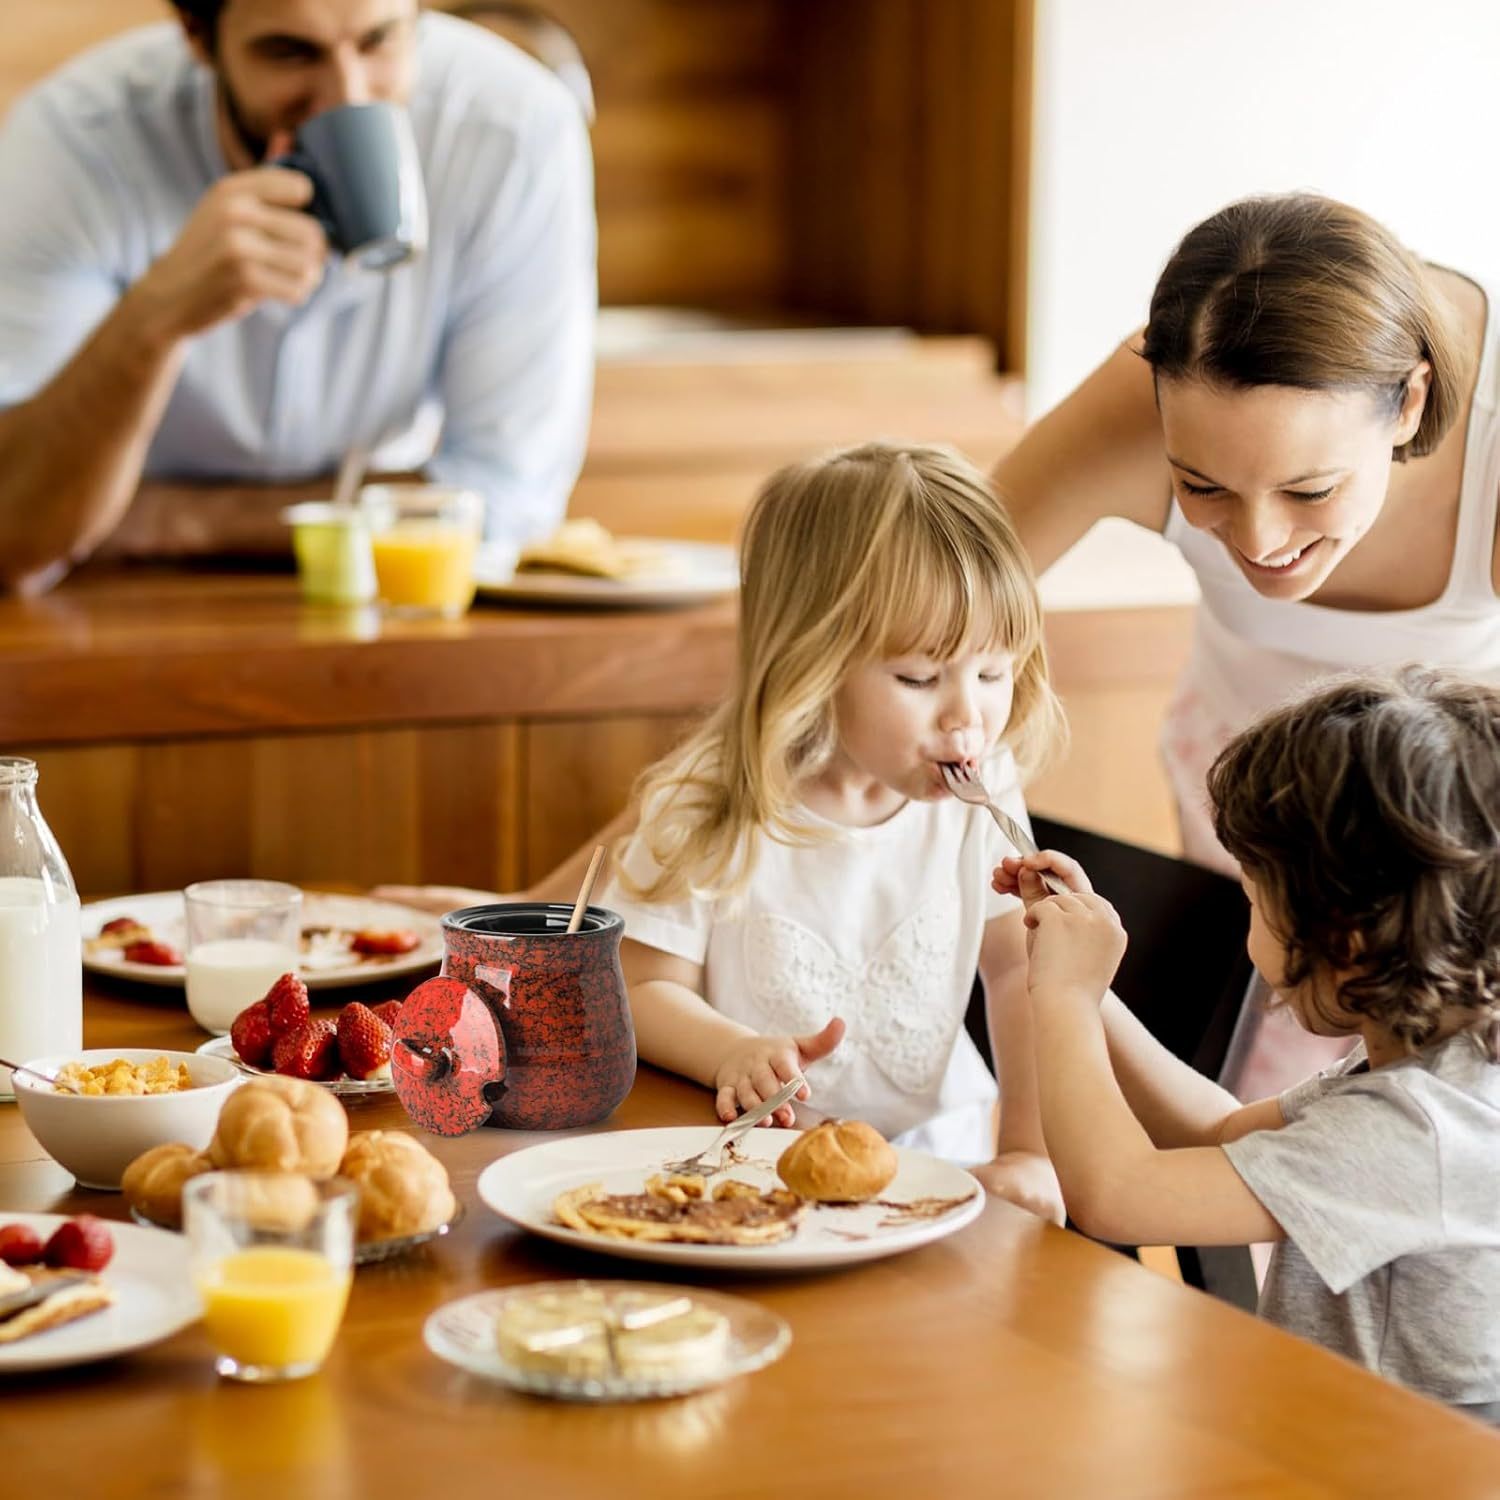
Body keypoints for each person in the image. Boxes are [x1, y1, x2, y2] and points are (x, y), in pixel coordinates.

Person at [996, 191, 1498, 1097]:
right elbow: (943, 592)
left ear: (1409, 401)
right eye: (1203, 486)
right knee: (1241, 1106)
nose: (1261, 542)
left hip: (1458, 853)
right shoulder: (1144, 391)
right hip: (1240, 812)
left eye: (1310, 490)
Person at [997, 667, 1500, 1421]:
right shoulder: (1436, 1068)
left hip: (1392, 1465)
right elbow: (1219, 1130)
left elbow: (1116, 1196)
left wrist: (1062, 999)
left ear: (1346, 943)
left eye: (1253, 897)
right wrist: (1090, 994)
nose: (1248, 918)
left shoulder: (1415, 1131)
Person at [595, 441, 1068, 1217]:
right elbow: (640, 986)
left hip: (941, 1163)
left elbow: (1019, 972)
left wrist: (1025, 1150)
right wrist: (729, 1051)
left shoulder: (986, 791)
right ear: (811, 661)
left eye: (992, 672)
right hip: (756, 1169)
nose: (967, 715)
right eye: (918, 678)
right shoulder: (714, 799)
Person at [0, 0, 596, 592]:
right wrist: (153, 321)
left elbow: (505, 503)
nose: (348, 97)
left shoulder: (515, 130)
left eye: (378, 39)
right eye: (290, 52)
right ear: (197, 37)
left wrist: (163, 519)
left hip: (377, 601)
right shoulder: (75, 144)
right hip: (112, 615)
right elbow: (13, 526)